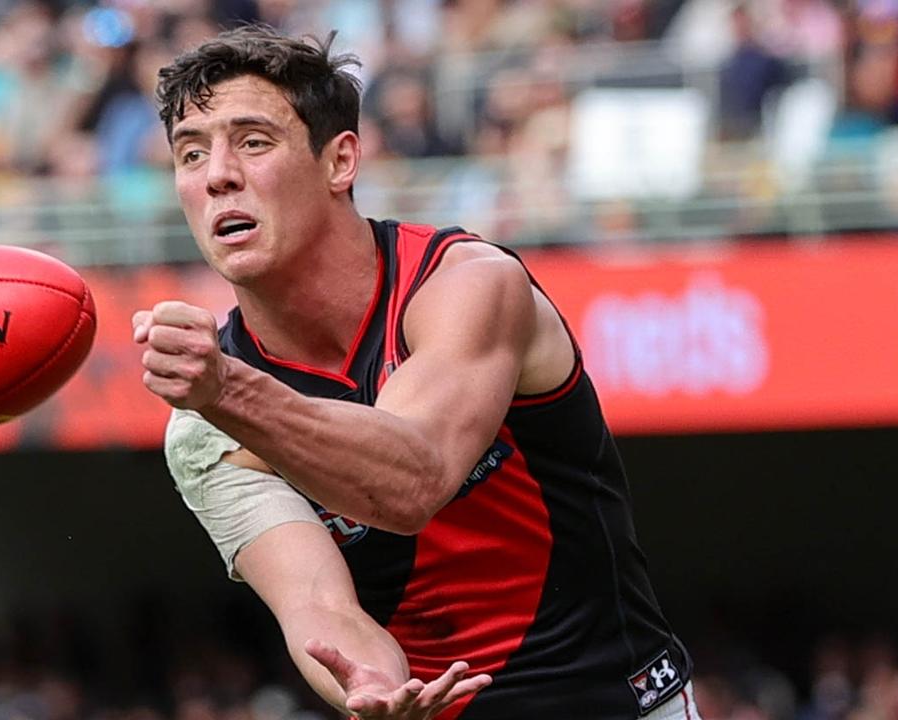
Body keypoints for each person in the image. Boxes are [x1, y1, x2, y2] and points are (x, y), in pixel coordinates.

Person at [132, 26, 700, 720]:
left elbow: (414, 481)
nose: (217, 174)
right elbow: (316, 602)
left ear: (340, 162)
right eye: (191, 153)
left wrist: (228, 390)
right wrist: (367, 683)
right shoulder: (201, 427)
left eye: (252, 142)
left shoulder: (467, 284)